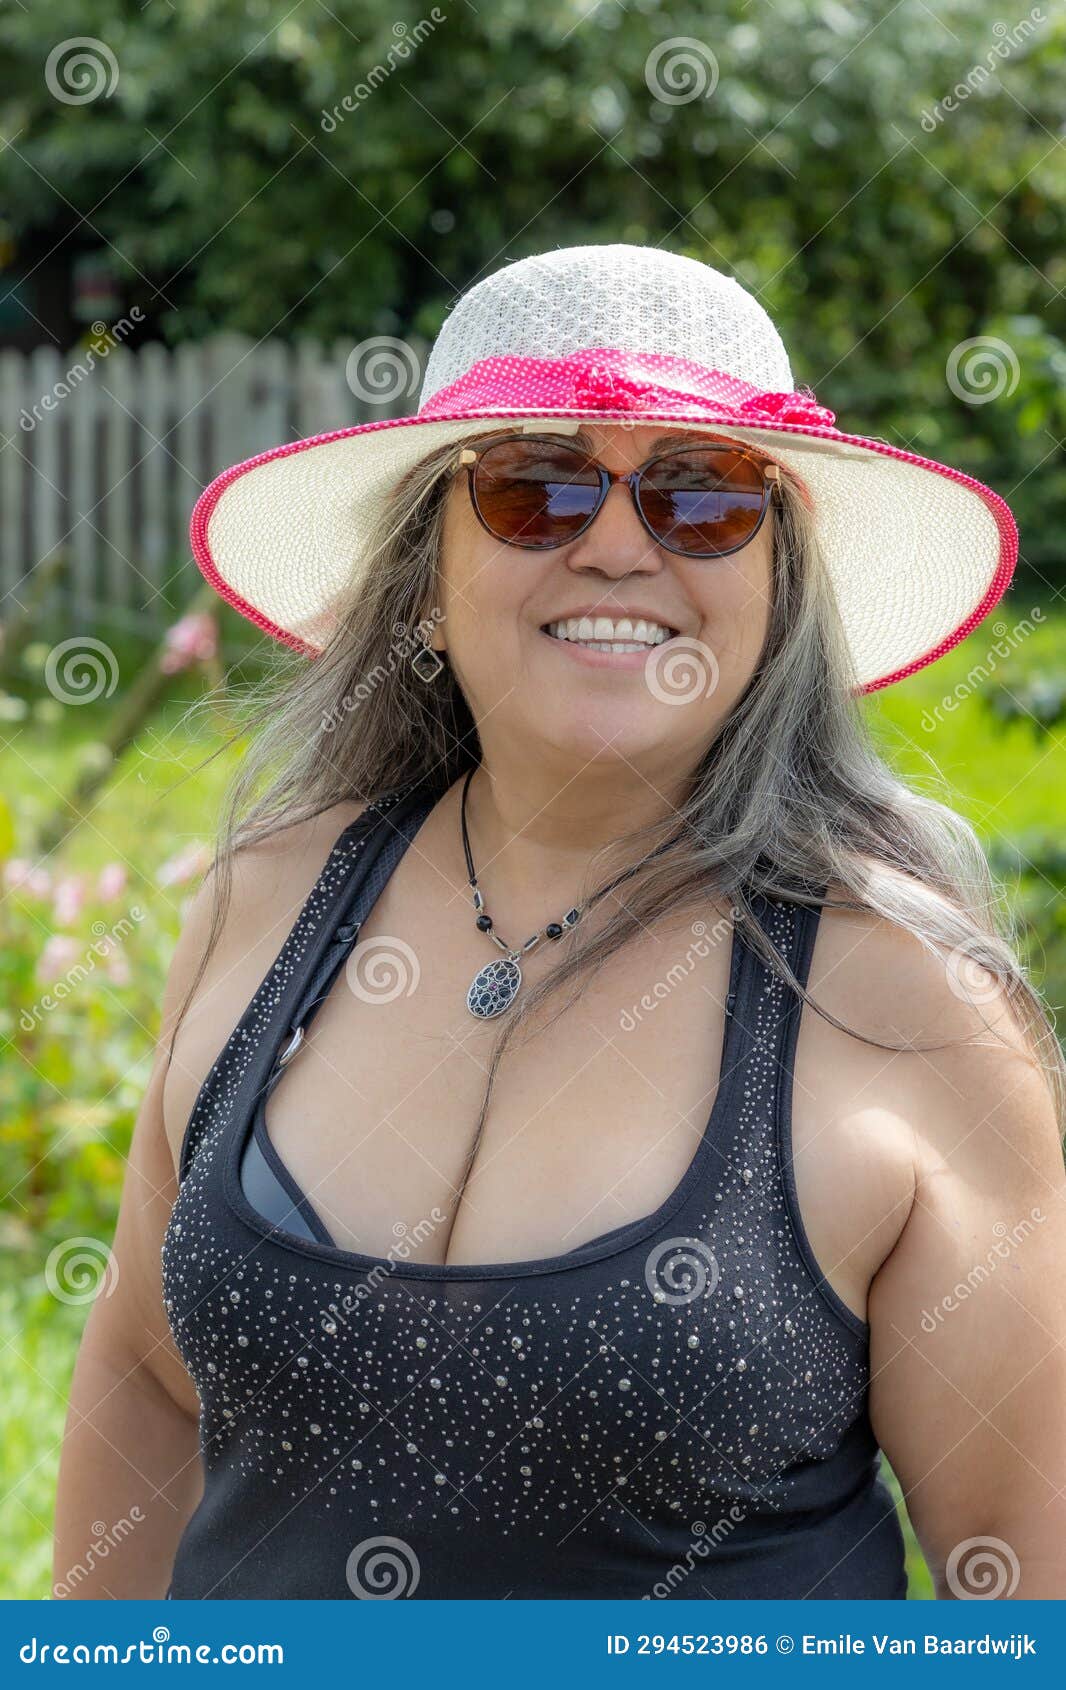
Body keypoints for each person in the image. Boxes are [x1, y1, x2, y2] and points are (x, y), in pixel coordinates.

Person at [54, 244, 1066, 1601]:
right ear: (424, 570)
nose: (614, 544)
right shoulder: (267, 895)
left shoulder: (911, 1002)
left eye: (701, 497)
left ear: (775, 585)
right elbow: (141, 1377)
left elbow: (1029, 1586)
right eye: (533, 487)